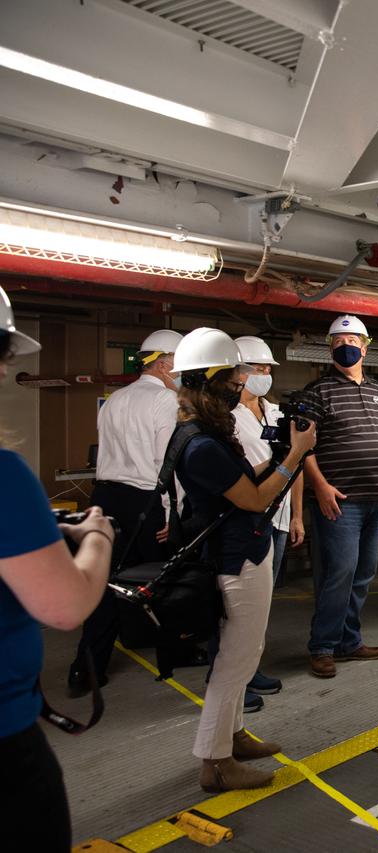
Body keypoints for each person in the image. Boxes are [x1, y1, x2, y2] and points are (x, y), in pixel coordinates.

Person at [171, 327, 315, 792]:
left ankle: (231, 736)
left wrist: (276, 458)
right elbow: (253, 499)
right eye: (233, 383)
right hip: (236, 557)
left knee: (244, 652)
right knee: (236, 659)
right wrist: (295, 456)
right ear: (209, 383)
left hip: (237, 549)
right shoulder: (202, 445)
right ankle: (215, 762)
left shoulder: (202, 435)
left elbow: (240, 481)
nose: (239, 389)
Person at [0, 284, 112, 848]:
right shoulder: (4, 477)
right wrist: (95, 537)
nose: (4, 371)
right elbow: (65, 607)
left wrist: (37, 535)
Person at [69, 327, 190, 697]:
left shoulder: (115, 399)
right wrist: (171, 512)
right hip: (144, 501)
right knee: (162, 582)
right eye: (181, 365)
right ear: (165, 365)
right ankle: (173, 652)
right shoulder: (166, 401)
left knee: (104, 583)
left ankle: (86, 668)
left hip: (105, 499)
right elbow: (166, 463)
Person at [207, 335, 305, 710]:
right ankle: (228, 676)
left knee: (260, 603)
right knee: (233, 607)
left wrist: (297, 515)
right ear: (236, 372)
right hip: (243, 515)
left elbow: (295, 465)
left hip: (276, 516)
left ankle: (251, 667)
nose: (264, 373)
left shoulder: (277, 413)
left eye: (267, 368)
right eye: (257, 368)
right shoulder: (225, 418)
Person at [303, 315, 378, 678]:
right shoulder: (317, 391)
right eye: (339, 342)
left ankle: (348, 640)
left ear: (365, 347)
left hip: (376, 498)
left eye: (353, 341)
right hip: (340, 500)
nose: (347, 347)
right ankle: (322, 647)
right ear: (330, 349)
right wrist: (320, 485)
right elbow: (303, 447)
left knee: (363, 573)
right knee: (339, 573)